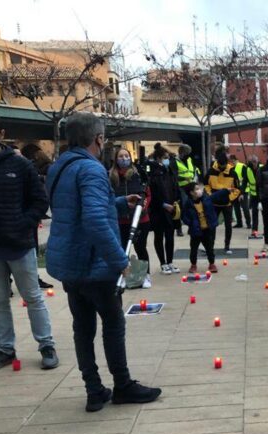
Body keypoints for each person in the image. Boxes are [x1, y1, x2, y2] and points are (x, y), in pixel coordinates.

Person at [46, 112, 160, 411]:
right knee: (112, 324)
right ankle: (122, 385)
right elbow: (95, 220)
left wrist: (120, 202)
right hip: (94, 264)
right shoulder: (92, 169)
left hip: (70, 263)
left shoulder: (59, 167)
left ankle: (94, 390)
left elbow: (76, 208)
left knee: (82, 328)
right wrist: (119, 259)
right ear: (98, 138)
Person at [0, 111, 59, 373]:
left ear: (1, 135)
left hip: (19, 243)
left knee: (33, 297)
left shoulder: (21, 165)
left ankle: (46, 345)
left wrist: (22, 223)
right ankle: (4, 349)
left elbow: (40, 201)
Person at [109, 148, 152, 288]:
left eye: (126, 156)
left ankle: (145, 276)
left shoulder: (138, 174)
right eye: (121, 156)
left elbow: (147, 193)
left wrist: (144, 205)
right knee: (122, 251)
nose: (124, 158)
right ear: (116, 159)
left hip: (140, 218)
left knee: (140, 248)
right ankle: (123, 276)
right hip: (121, 219)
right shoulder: (110, 176)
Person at [182, 183, 239, 273]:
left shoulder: (206, 199)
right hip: (195, 230)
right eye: (196, 189)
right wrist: (191, 223)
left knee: (209, 248)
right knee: (193, 249)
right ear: (191, 193)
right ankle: (193, 265)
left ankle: (211, 264)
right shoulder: (188, 204)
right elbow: (184, 216)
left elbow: (216, 195)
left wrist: (226, 190)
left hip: (207, 229)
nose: (199, 190)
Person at [20, 143, 54, 289]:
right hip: (17, 218)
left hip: (28, 218)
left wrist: (32, 217)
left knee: (31, 251)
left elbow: (39, 197)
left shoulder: (34, 169)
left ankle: (34, 279)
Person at [146, 143, 180, 274]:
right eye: (166, 157)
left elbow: (174, 187)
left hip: (171, 208)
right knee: (159, 236)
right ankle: (163, 263)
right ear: (159, 158)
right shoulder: (154, 173)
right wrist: (163, 204)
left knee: (170, 236)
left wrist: (176, 201)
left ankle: (170, 261)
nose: (168, 160)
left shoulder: (169, 171)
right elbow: (152, 193)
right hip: (158, 210)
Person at [205, 147, 238, 255]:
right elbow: (206, 185)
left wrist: (230, 198)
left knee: (228, 225)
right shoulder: (211, 171)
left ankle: (227, 246)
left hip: (227, 203)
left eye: (224, 166)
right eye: (220, 165)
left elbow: (237, 189)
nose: (222, 167)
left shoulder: (232, 172)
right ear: (217, 163)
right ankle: (210, 246)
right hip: (214, 203)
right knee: (212, 225)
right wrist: (211, 196)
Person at [231, 155, 251, 229]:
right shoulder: (233, 168)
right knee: (236, 208)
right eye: (231, 161)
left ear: (236, 160)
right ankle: (239, 223)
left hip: (243, 191)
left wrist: (242, 192)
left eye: (233, 160)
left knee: (245, 208)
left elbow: (246, 179)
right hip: (235, 191)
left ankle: (248, 223)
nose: (232, 162)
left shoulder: (242, 166)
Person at [244, 155, 261, 235]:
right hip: (254, 195)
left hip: (263, 196)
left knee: (266, 214)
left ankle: (266, 230)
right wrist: (241, 192)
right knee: (254, 213)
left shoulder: (262, 168)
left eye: (255, 161)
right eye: (253, 162)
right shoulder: (248, 169)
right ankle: (254, 230)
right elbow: (244, 182)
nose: (254, 163)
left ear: (258, 161)